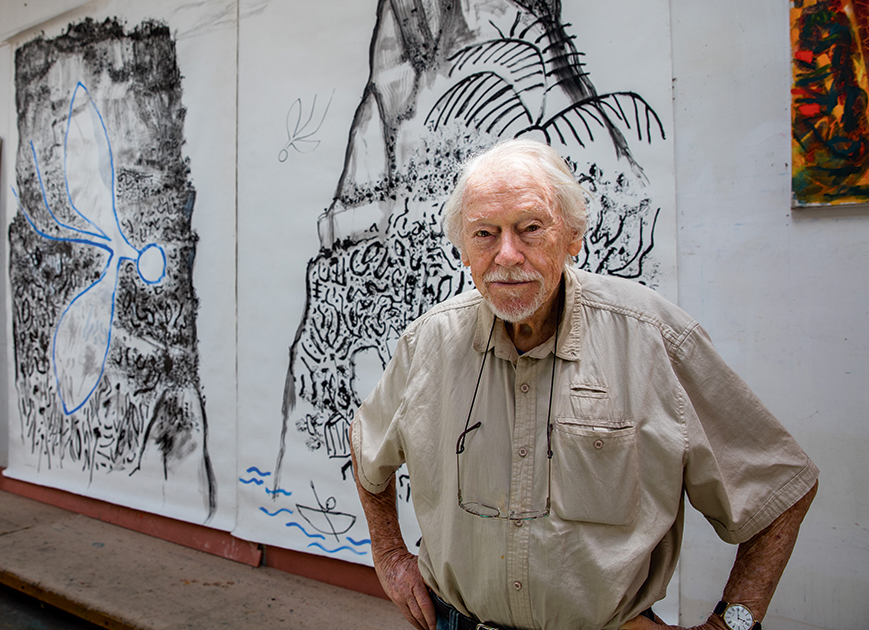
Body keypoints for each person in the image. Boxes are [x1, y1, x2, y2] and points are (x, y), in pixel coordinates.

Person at [350, 139, 818, 630]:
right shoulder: (428, 342)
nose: (507, 254)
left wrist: (733, 623)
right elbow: (366, 449)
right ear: (464, 250)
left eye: (530, 228)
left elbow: (780, 488)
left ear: (573, 236)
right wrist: (390, 557)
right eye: (485, 233)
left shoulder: (653, 338)